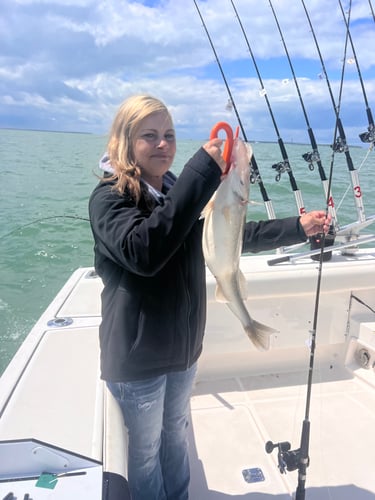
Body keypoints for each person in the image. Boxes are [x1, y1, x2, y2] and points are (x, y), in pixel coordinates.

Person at [88, 94, 331, 500]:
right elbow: (144, 251)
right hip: (139, 360)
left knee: (176, 439)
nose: (163, 143)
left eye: (169, 134)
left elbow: (229, 236)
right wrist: (200, 172)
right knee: (145, 456)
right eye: (150, 136)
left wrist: (296, 227)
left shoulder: (176, 192)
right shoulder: (110, 199)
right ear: (125, 141)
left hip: (184, 353)